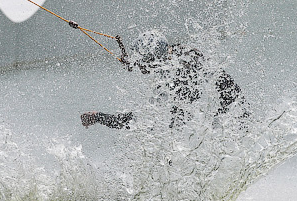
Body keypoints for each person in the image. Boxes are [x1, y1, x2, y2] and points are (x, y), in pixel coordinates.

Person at [80, 30, 248, 130]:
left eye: (143, 62)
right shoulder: (177, 57)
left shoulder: (179, 75)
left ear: (154, 60)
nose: (142, 68)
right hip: (228, 114)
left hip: (228, 120)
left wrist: (99, 117)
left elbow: (136, 121)